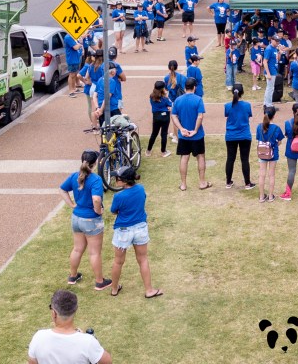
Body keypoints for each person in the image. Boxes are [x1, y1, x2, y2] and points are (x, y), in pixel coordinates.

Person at [107, 166, 163, 299]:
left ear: (124, 181)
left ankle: (114, 289)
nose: (115, 180)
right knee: (143, 259)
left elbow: (114, 211)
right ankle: (149, 290)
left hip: (123, 231)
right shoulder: (141, 189)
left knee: (118, 261)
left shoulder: (118, 196)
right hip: (140, 228)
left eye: (117, 178)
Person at [59, 151, 110, 290]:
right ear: (94, 163)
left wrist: (72, 205)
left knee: (77, 249)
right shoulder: (96, 179)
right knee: (94, 252)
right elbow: (96, 199)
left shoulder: (75, 176)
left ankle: (73, 276)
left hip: (76, 218)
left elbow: (62, 190)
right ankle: (99, 281)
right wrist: (98, 211)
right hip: (91, 220)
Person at [28, 289, 112, 364]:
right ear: (75, 310)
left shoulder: (38, 337)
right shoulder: (88, 342)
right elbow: (107, 361)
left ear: (54, 313)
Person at [172, 78, 212, 191]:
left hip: (183, 136)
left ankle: (183, 184)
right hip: (197, 136)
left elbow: (174, 116)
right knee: (200, 157)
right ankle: (202, 182)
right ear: (194, 87)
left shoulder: (178, 100)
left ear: (185, 87)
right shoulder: (198, 100)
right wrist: (195, 130)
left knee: (184, 158)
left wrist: (181, 129)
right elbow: (200, 116)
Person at [224, 84, 256, 190]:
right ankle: (247, 183)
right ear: (242, 92)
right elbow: (248, 115)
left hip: (231, 136)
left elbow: (227, 115)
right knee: (245, 159)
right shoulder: (247, 105)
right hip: (244, 135)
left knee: (230, 158)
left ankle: (228, 182)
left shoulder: (227, 106)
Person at [256, 106, 284, 202]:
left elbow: (258, 138)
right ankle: (271, 196)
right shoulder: (276, 128)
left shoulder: (259, 127)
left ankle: (261, 196)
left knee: (262, 174)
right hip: (273, 153)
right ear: (274, 116)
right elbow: (279, 141)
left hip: (262, 152)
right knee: (271, 174)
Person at [147, 81, 173, 158]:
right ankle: (163, 152)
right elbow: (170, 104)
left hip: (156, 116)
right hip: (165, 117)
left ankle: (148, 151)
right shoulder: (165, 97)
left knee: (154, 134)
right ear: (162, 89)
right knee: (164, 134)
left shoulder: (152, 96)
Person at [64, 31, 85, 96]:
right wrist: (80, 44)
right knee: (71, 75)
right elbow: (75, 47)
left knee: (75, 74)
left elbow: (79, 45)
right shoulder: (68, 37)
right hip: (71, 59)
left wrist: (81, 47)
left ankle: (74, 88)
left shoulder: (74, 37)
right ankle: (71, 90)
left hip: (76, 58)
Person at [263, 34, 281, 108]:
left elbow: (277, 59)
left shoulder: (275, 48)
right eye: (276, 41)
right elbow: (265, 61)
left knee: (270, 88)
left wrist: (279, 52)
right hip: (270, 71)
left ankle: (266, 103)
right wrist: (268, 73)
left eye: (278, 41)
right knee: (270, 88)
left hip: (274, 69)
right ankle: (268, 104)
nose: (277, 42)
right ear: (272, 40)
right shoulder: (269, 49)